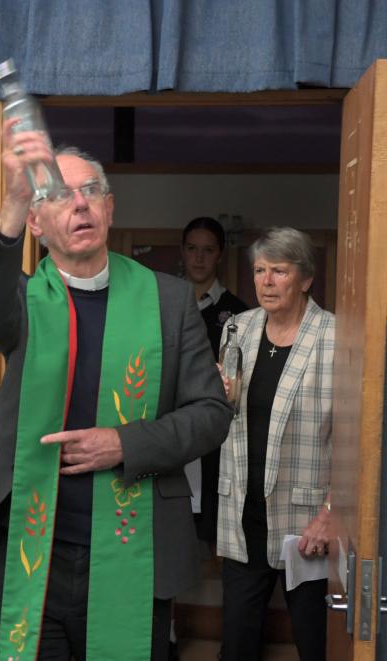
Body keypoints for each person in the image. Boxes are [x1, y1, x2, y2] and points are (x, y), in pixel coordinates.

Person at [0, 120, 232, 661]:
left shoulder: (169, 299)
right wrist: (12, 205)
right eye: (58, 196)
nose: (80, 206)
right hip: (33, 550)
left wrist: (125, 444)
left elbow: (211, 413)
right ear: (39, 224)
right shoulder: (21, 302)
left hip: (132, 552)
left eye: (91, 191)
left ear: (110, 209)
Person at [217, 226, 334, 661]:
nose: (265, 281)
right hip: (242, 516)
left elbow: (355, 443)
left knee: (315, 642)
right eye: (259, 270)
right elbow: (224, 409)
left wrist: (330, 513)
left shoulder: (335, 337)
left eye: (279, 271)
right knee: (237, 643)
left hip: (306, 525)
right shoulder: (238, 328)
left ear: (306, 279)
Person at [181, 217, 247, 543]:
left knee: (212, 527)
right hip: (171, 424)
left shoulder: (238, 313)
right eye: (192, 249)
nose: (198, 258)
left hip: (216, 433)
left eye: (207, 250)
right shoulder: (164, 304)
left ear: (220, 254)